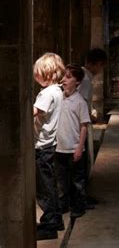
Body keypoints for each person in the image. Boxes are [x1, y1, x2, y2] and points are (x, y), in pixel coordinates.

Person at [33, 53, 66, 240]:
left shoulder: (47, 93)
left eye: (38, 73)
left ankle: (49, 225)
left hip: (41, 146)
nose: (35, 76)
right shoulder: (58, 91)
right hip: (50, 144)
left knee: (44, 188)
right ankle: (57, 219)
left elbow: (35, 111)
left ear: (48, 74)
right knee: (50, 184)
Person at [56, 64, 91, 219]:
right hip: (59, 148)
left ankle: (79, 206)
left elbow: (84, 126)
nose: (64, 80)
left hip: (74, 148)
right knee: (61, 180)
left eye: (68, 77)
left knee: (77, 181)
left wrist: (79, 148)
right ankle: (63, 204)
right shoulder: (59, 98)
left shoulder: (80, 101)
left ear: (77, 82)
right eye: (64, 76)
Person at [77, 48, 106, 182]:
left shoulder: (82, 75)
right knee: (83, 159)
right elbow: (80, 103)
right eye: (102, 66)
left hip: (81, 121)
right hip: (80, 124)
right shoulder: (85, 80)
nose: (101, 70)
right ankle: (81, 195)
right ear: (98, 63)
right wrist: (90, 115)